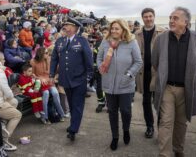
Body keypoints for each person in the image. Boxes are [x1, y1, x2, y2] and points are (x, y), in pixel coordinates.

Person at [152, 7, 196, 157]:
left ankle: (178, 150)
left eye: (175, 18)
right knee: (165, 121)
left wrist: (193, 78)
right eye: (171, 17)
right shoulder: (161, 39)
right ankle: (164, 153)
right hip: (167, 88)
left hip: (186, 90)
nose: (171, 21)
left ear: (186, 22)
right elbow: (155, 62)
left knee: (181, 123)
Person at [97, 19, 143, 151]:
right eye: (112, 28)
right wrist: (101, 68)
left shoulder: (131, 42)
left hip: (126, 85)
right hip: (109, 83)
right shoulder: (105, 42)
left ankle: (126, 130)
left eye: (117, 28)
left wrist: (129, 75)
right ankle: (115, 137)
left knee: (125, 110)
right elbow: (99, 58)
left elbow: (138, 62)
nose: (113, 31)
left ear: (123, 29)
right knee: (112, 111)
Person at [49, 17, 94, 141]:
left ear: (75, 28)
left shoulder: (82, 41)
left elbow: (89, 59)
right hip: (65, 79)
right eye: (65, 25)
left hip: (79, 79)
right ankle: (73, 124)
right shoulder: (60, 41)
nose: (66, 27)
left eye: (69, 25)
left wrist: (89, 76)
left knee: (77, 105)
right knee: (72, 104)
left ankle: (73, 129)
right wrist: (51, 75)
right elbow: (54, 59)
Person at [135, 8, 165, 139]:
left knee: (159, 102)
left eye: (150, 16)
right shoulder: (137, 33)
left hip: (158, 73)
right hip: (143, 73)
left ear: (154, 17)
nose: (148, 19)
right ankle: (149, 126)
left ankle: (162, 128)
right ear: (142, 18)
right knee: (146, 101)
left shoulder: (163, 32)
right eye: (145, 17)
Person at [30, 47, 67, 122]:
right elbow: (31, 74)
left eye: (48, 53)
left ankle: (61, 114)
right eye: (46, 53)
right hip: (40, 84)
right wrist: (39, 78)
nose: (48, 54)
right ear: (41, 54)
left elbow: (58, 71)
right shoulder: (33, 61)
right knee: (46, 94)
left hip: (50, 82)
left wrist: (54, 77)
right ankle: (44, 117)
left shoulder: (50, 59)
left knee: (55, 93)